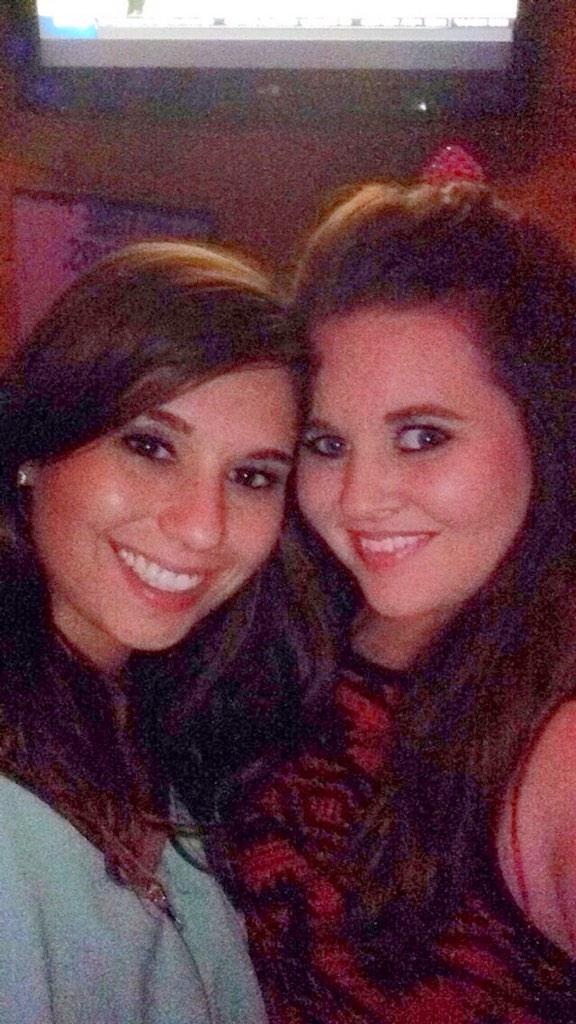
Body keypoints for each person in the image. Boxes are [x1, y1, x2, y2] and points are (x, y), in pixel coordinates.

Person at [228, 182, 576, 1022]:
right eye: (327, 443)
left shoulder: (556, 745)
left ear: (544, 431)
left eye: (422, 436)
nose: (359, 498)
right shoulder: (295, 614)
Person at [0, 238, 325, 1023]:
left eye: (252, 476)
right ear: (35, 446)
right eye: (150, 446)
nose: (203, 527)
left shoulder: (172, 719)